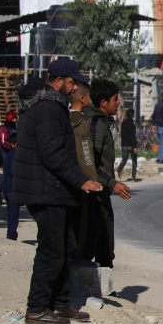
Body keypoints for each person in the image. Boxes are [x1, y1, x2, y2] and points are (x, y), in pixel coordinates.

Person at [15, 59, 102, 324]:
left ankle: (61, 304)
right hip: (45, 189)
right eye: (71, 82)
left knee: (65, 247)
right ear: (58, 80)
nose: (75, 86)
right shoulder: (48, 108)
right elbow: (53, 155)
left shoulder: (51, 106)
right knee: (51, 250)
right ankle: (37, 307)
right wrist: (81, 181)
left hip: (53, 189)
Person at [83, 78, 131, 269]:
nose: (118, 102)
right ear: (103, 102)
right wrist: (113, 183)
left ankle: (104, 286)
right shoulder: (94, 124)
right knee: (89, 244)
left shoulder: (102, 122)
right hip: (93, 195)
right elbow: (91, 163)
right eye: (115, 99)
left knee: (105, 245)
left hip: (101, 193)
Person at [68, 82, 99, 261]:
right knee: (83, 223)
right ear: (82, 98)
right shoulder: (80, 122)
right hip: (82, 180)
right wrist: (91, 179)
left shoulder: (66, 118)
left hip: (71, 178)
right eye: (88, 96)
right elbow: (85, 155)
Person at [0, 132, 18, 240]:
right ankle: (11, 235)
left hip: (7, 187)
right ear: (13, 144)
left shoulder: (9, 155)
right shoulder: (14, 155)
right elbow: (13, 171)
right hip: (11, 188)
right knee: (13, 213)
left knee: (11, 212)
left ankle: (11, 233)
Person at [117, 108, 138, 181]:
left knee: (124, 160)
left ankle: (119, 170)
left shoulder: (123, 123)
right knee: (134, 161)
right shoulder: (132, 124)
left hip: (124, 145)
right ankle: (133, 177)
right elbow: (132, 136)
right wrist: (134, 147)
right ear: (132, 115)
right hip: (131, 145)